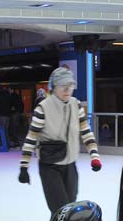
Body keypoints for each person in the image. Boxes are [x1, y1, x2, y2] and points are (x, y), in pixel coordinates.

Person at [18, 67, 102, 213]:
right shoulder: (43, 108)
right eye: (63, 86)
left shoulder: (76, 105)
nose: (67, 90)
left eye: (71, 86)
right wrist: (24, 166)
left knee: (70, 209)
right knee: (60, 211)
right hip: (50, 166)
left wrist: (94, 156)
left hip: (70, 165)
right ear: (53, 87)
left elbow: (86, 132)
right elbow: (31, 138)